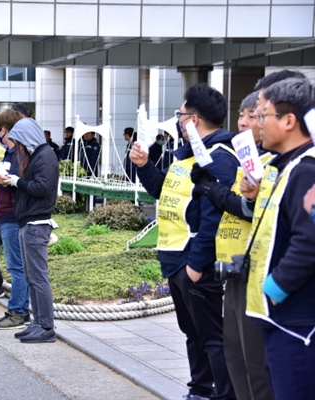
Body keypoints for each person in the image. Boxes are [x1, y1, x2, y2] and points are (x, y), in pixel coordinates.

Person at [130, 83, 237, 400]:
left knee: (210, 336)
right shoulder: (189, 154)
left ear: (194, 118)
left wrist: (196, 265)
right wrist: (143, 166)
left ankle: (223, 394)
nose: (177, 120)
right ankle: (200, 389)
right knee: (193, 332)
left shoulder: (218, 158)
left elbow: (213, 218)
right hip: (175, 258)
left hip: (193, 261)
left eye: (181, 114)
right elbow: (165, 192)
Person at [191, 89, 274, 400]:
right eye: (242, 116)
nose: (244, 123)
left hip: (259, 273)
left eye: (254, 117)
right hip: (235, 267)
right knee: (235, 353)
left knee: (255, 362)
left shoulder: (281, 164)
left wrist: (214, 191)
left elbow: (249, 210)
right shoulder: (246, 156)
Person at [240, 78, 315, 400]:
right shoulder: (283, 165)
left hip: (296, 319)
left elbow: (309, 242)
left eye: (262, 115)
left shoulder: (306, 170)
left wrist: (273, 289)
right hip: (279, 316)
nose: (256, 124)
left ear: (288, 121)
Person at [3, 117, 59, 343]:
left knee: (38, 277)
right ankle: (38, 322)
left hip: (37, 223)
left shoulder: (45, 155)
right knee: (31, 275)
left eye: (19, 142)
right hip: (29, 221)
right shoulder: (38, 154)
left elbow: (42, 187)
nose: (18, 147)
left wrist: (16, 181)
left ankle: (46, 326)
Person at [0, 109, 31, 329]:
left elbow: (20, 185)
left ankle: (18, 312)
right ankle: (19, 310)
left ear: (5, 130)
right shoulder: (11, 154)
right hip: (5, 214)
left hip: (13, 215)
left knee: (17, 267)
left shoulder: (21, 154)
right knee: (17, 266)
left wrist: (5, 179)